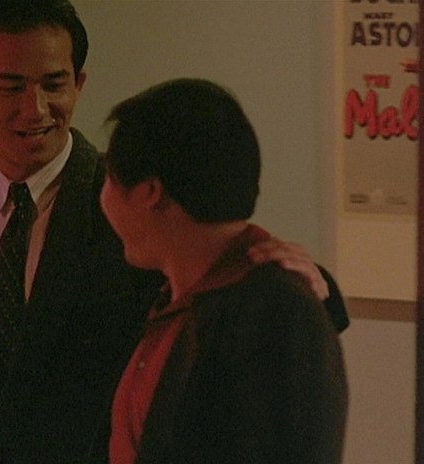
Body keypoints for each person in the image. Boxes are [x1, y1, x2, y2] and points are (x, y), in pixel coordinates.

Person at [0, 1, 349, 462]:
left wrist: (315, 284)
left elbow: (226, 268)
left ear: (79, 84)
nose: (36, 108)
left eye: (54, 84)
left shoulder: (136, 202)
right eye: (12, 87)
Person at [98, 78, 347, 464]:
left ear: (150, 192)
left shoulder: (271, 311)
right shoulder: (180, 291)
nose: (103, 199)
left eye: (110, 180)